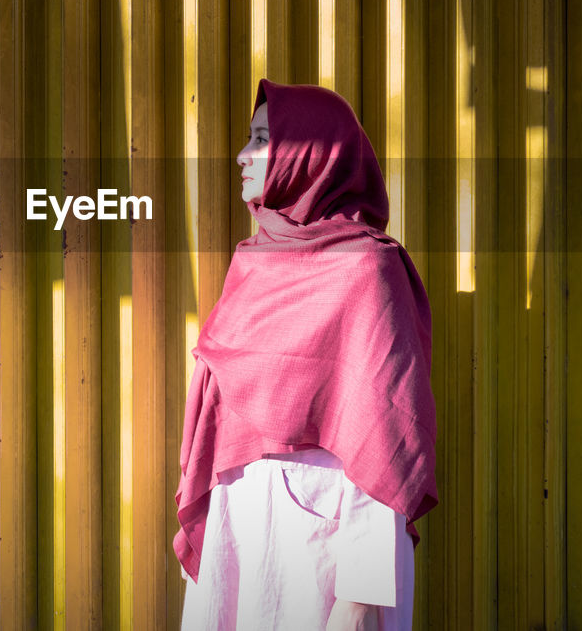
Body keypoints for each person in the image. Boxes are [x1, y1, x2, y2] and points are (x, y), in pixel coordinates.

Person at [175, 79, 438, 631]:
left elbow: (384, 437)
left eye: (263, 139)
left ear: (312, 153)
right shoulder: (251, 263)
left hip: (328, 544)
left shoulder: (369, 270)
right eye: (249, 139)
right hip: (237, 534)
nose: (244, 156)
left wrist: (359, 594)